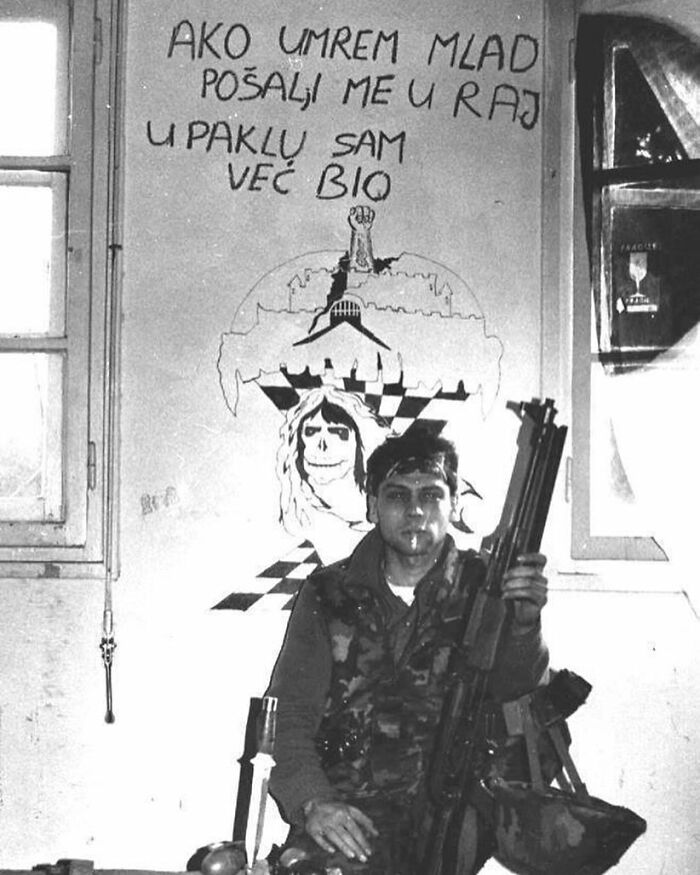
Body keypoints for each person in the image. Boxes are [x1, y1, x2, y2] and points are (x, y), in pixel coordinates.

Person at [265, 428, 550, 874]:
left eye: (431, 495)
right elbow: (290, 714)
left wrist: (525, 622)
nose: (415, 510)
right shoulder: (327, 593)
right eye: (397, 495)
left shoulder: (486, 590)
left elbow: (521, 700)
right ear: (372, 505)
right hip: (346, 816)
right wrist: (312, 801)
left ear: (453, 504)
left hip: (449, 823)